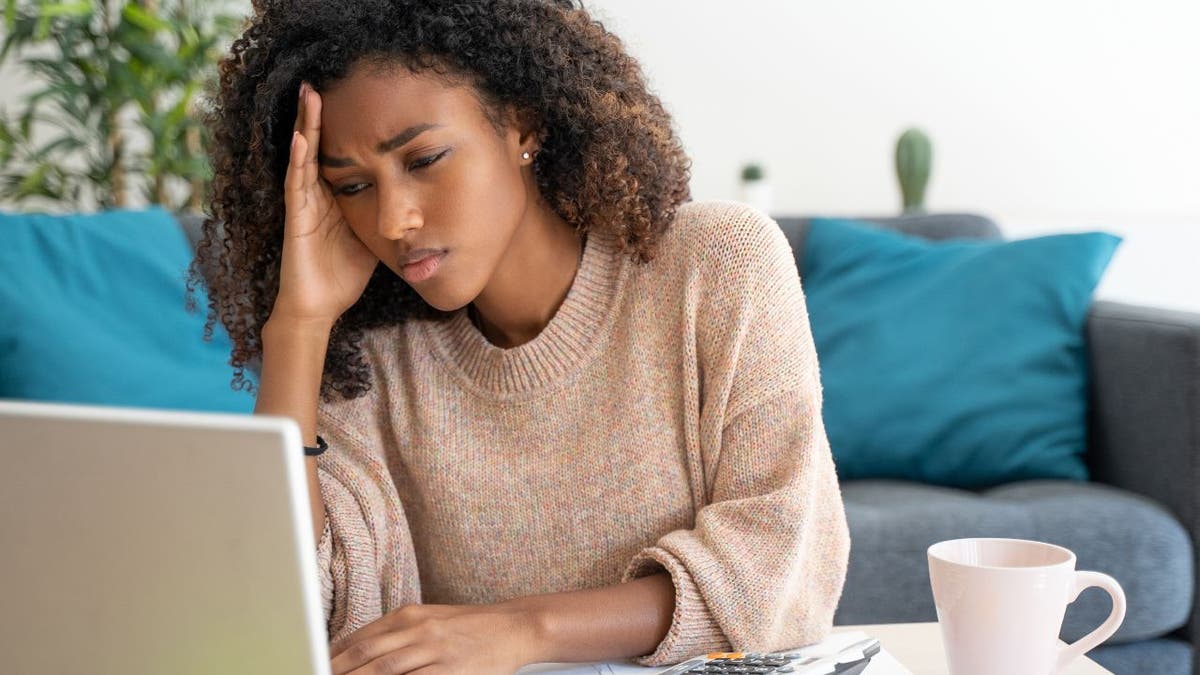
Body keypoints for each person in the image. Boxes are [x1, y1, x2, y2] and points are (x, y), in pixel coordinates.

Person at [191, 0, 850, 672]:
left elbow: (781, 572)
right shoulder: (370, 351)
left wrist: (523, 629)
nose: (393, 218)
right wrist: (298, 327)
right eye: (354, 185)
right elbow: (288, 610)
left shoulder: (716, 264)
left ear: (522, 124)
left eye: (424, 158)